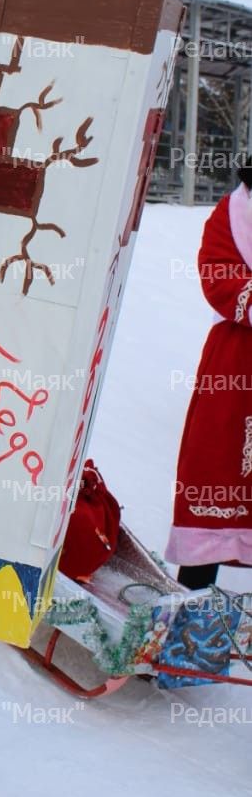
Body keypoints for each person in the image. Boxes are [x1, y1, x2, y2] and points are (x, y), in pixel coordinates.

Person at [166, 159, 252, 589]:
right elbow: (218, 275)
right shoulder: (234, 213)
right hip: (238, 362)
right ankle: (190, 600)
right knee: (219, 467)